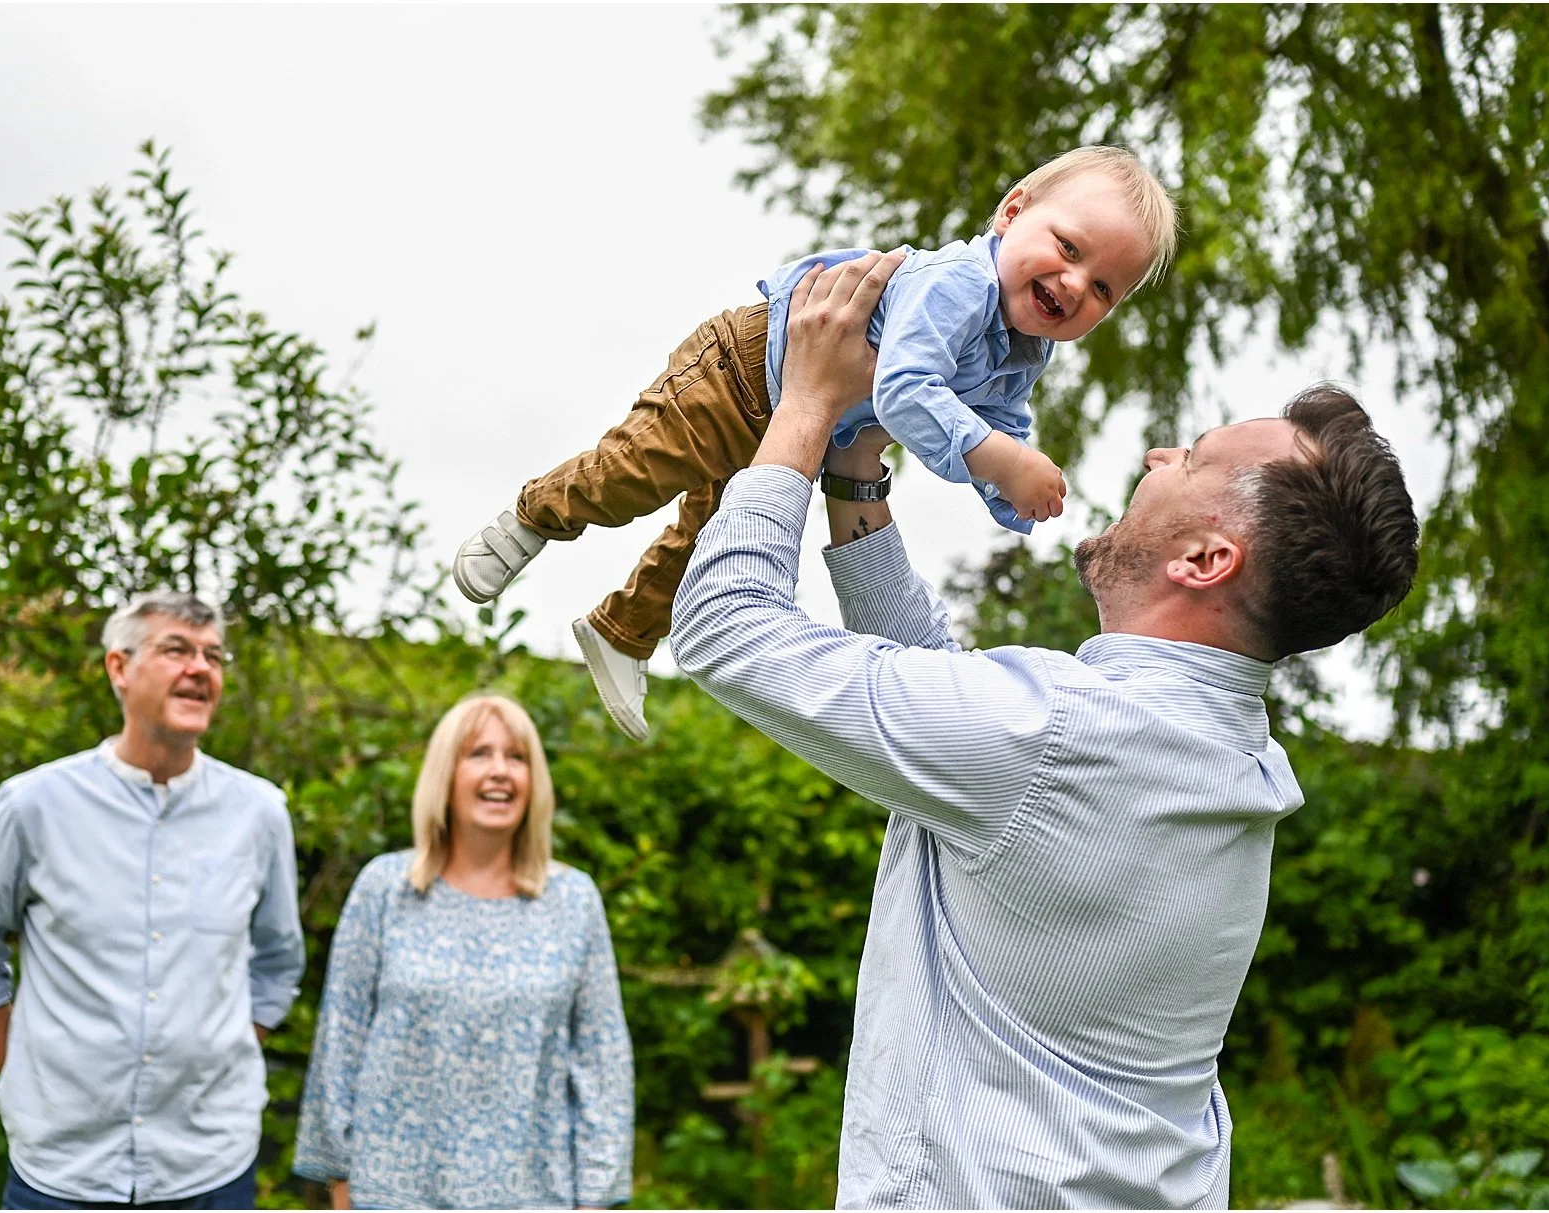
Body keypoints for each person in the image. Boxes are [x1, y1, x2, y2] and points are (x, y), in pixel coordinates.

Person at [668, 253, 1420, 1208]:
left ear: (1205, 556)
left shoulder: (1058, 733)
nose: (1156, 456)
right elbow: (956, 715)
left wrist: (807, 404)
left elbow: (725, 625)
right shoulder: (1227, 762)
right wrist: (859, 473)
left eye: (1189, 458)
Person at [453, 145, 1178, 742]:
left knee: (705, 542)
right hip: (741, 371)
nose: (1074, 283)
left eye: (1105, 288)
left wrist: (1016, 495)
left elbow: (1003, 429)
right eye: (1068, 247)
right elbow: (905, 391)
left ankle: (621, 634)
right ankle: (530, 517)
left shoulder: (1024, 352)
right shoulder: (960, 283)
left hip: (789, 429)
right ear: (1013, 212)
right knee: (631, 476)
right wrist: (997, 458)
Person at [0, 591, 305, 1209]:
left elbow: (277, 962)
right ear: (118, 668)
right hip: (60, 1173)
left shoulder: (259, 813)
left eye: (214, 655)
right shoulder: (32, 806)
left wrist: (216, 1058)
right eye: (176, 650)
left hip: (210, 1169)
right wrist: (31, 1076)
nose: (200, 668)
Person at [294, 694, 634, 1210]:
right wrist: (340, 1182)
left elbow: (603, 1064)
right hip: (393, 1195)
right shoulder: (385, 889)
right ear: (444, 775)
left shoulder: (573, 902)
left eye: (516, 757)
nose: (500, 771)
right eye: (479, 753)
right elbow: (339, 1044)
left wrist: (596, 1196)